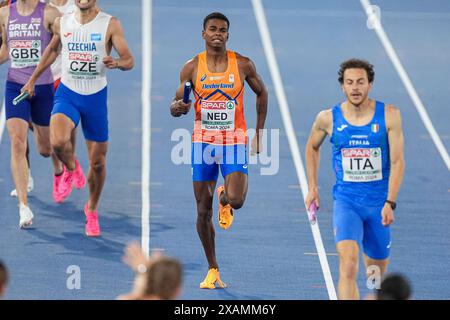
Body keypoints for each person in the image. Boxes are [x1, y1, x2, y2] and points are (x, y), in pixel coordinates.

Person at [170, 12, 268, 289]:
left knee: (237, 200)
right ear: (203, 33)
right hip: (203, 144)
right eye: (212, 29)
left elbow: (262, 93)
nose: (217, 33)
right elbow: (177, 103)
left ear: (227, 35)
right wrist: (176, 108)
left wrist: (259, 133)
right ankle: (213, 268)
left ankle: (224, 198)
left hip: (234, 141)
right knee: (202, 210)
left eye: (222, 30)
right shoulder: (191, 68)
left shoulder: (243, 65)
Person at [22, 0, 134, 236]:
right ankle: (71, 167)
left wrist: (117, 63)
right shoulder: (63, 22)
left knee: (98, 163)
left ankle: (91, 209)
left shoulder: (110, 24)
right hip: (68, 92)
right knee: (58, 142)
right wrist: (32, 79)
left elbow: (129, 59)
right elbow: (53, 50)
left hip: (95, 98)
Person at [305, 58, 405, 300]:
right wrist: (312, 187)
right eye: (350, 82)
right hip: (347, 202)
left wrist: (390, 202)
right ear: (343, 86)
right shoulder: (328, 118)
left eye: (360, 82)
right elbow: (312, 147)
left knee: (375, 276)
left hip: (378, 205)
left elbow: (397, 162)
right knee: (348, 266)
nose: (355, 88)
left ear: (370, 84)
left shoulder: (389, 116)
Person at [0, 0, 66, 228]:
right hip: (15, 86)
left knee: (45, 149)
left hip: (42, 88)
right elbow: (6, 50)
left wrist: (34, 78)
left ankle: (59, 167)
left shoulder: (49, 13)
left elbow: (59, 47)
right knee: (17, 143)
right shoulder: (4, 14)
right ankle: (23, 206)